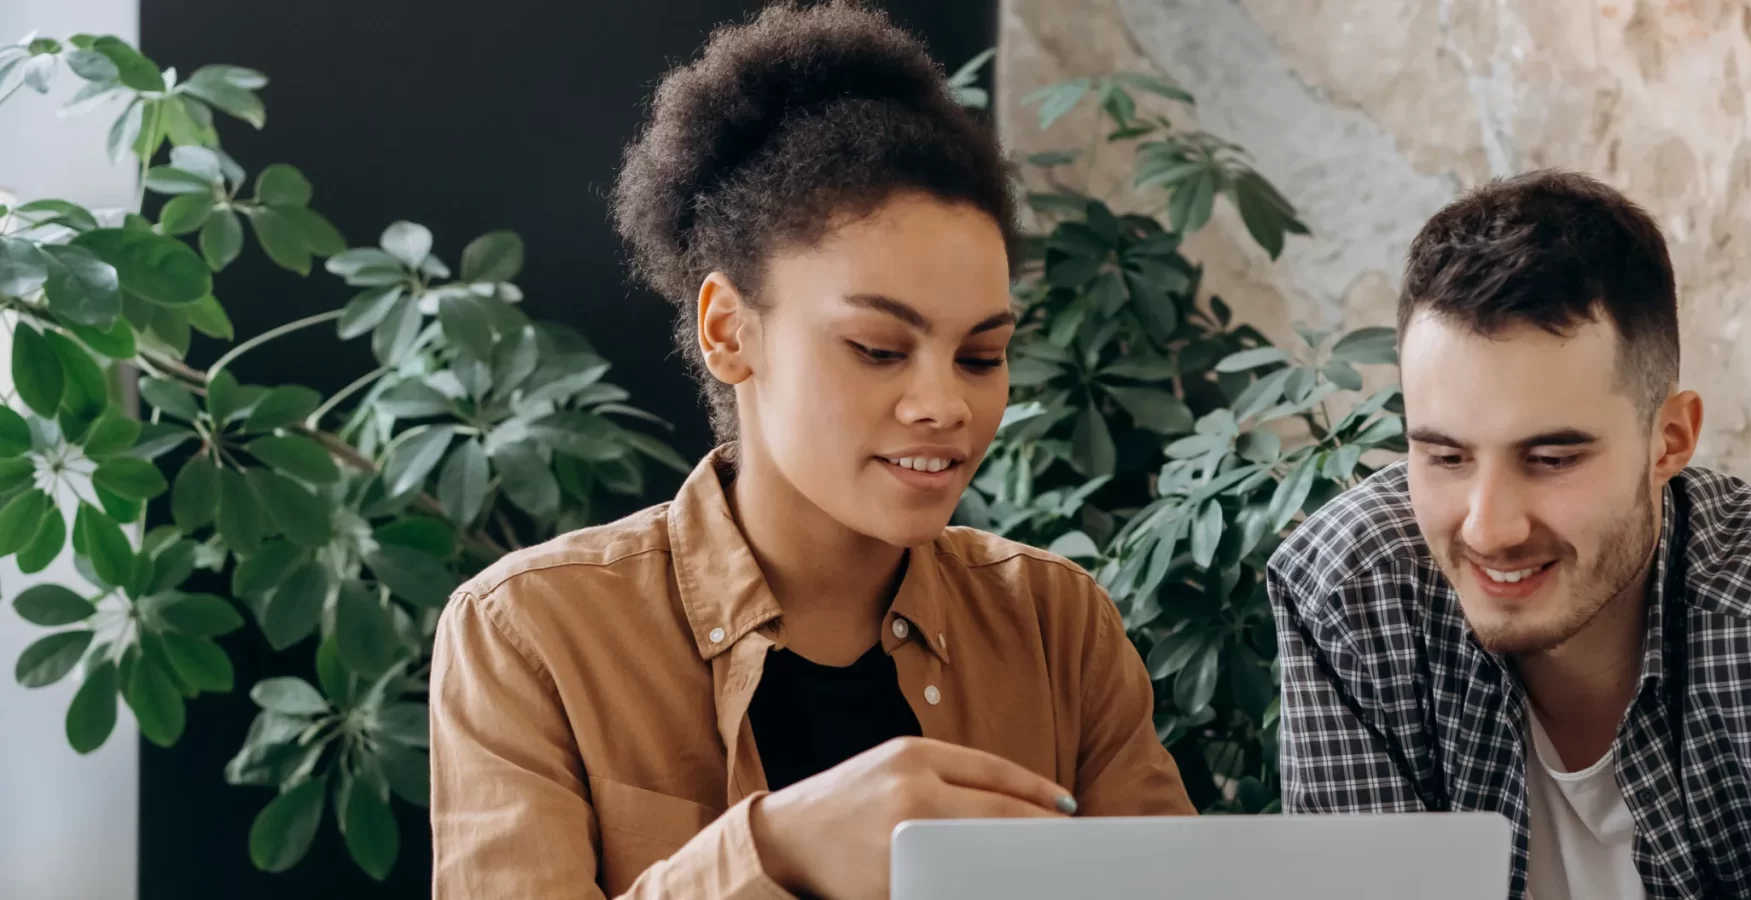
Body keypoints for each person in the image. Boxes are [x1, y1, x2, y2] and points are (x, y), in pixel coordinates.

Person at [428, 4, 1192, 898]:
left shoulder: (1056, 627)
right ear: (729, 331)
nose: (945, 403)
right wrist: (772, 850)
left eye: (982, 355)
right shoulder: (534, 636)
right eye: (877, 348)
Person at [1267, 171, 1751, 900]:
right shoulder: (1350, 595)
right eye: (1444, 456)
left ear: (1668, 439)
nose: (1490, 527)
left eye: (1552, 458)